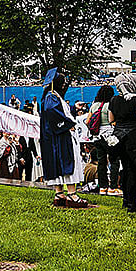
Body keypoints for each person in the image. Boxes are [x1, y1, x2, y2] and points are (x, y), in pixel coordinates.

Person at [40, 69, 88, 208]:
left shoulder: (51, 95)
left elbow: (61, 111)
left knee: (58, 163)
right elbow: (53, 112)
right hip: (60, 136)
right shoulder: (51, 97)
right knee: (66, 161)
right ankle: (72, 195)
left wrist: (73, 108)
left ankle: (59, 193)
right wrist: (68, 125)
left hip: (55, 136)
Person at [109, 73, 136, 216]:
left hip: (119, 138)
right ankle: (132, 205)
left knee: (125, 170)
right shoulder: (135, 100)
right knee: (134, 170)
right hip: (134, 138)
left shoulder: (114, 100)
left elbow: (111, 119)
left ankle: (126, 200)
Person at [89, 85, 119, 196]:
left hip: (97, 136)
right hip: (110, 136)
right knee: (114, 161)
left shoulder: (94, 105)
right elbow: (114, 120)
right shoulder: (111, 105)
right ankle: (113, 187)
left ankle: (103, 187)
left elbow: (88, 121)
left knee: (101, 162)